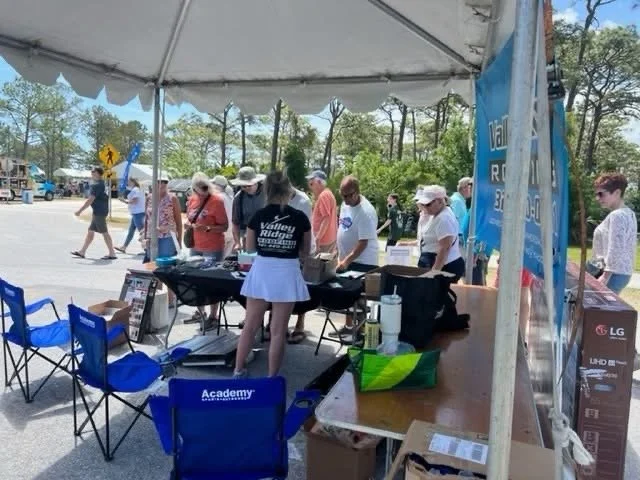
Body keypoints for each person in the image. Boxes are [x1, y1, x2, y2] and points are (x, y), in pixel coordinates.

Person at [233, 171, 311, 378]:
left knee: (249, 326)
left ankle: (238, 370)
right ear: (289, 191)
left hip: (262, 271)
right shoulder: (300, 218)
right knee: (278, 332)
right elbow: (306, 252)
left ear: (266, 190)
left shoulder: (258, 216)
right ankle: (271, 379)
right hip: (287, 272)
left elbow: (249, 249)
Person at [330, 175, 379, 339]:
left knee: (358, 297)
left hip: (363, 261)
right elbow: (342, 229)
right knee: (346, 294)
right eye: (343, 195)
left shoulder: (366, 212)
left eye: (349, 195)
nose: (346, 199)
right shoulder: (345, 204)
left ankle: (360, 332)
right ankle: (348, 326)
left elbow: (363, 243)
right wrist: (339, 255)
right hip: (347, 259)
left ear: (357, 192)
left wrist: (346, 261)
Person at [185, 173, 229, 330]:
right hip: (196, 246)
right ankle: (200, 312)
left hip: (213, 246)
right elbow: (190, 218)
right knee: (196, 281)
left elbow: (224, 226)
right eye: (198, 190)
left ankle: (213, 315)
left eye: (204, 189)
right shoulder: (192, 200)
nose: (201, 192)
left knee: (211, 281)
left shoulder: (216, 201)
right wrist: (188, 225)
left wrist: (208, 228)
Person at [591, 172, 637, 294]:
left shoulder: (617, 216)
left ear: (617, 192)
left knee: (599, 311)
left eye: (601, 194)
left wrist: (605, 277)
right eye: (597, 194)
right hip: (621, 273)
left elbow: (615, 248)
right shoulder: (629, 213)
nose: (598, 198)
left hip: (612, 274)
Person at [143, 176, 182, 307]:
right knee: (153, 266)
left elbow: (178, 221)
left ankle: (171, 298)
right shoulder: (149, 197)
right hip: (152, 236)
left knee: (167, 268)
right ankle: (157, 297)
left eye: (165, 182)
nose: (162, 184)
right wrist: (145, 236)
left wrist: (179, 239)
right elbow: (146, 219)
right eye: (159, 181)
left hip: (167, 237)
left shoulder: (173, 198)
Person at [417, 185, 465, 282]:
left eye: (428, 204)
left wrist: (434, 272)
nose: (425, 207)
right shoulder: (438, 214)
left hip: (446, 265)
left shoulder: (444, 218)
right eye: (423, 204)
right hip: (440, 263)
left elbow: (445, 248)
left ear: (440, 201)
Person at [71, 166, 117, 260]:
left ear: (99, 174)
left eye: (94, 172)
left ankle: (112, 253)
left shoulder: (97, 185)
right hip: (99, 210)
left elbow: (90, 200)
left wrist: (80, 211)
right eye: (91, 172)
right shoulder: (101, 183)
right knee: (90, 231)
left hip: (99, 211)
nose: (92, 173)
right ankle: (82, 251)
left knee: (104, 232)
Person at [287, 184, 313, 344]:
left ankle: (299, 325)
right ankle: (275, 323)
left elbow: (304, 231)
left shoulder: (303, 201)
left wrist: (303, 255)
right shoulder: (275, 199)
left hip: (300, 248)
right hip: (285, 249)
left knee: (300, 289)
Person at [230, 166, 266, 252]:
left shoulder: (269, 194)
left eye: (248, 185)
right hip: (246, 236)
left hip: (266, 235)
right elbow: (235, 222)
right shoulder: (238, 197)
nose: (246, 188)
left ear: (256, 182)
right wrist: (237, 242)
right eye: (243, 186)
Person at [306, 170, 338, 254]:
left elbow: (326, 218)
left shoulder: (324, 196)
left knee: (316, 266)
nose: (310, 187)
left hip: (322, 242)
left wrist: (317, 238)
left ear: (319, 182)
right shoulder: (328, 194)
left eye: (312, 184)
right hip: (328, 239)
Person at [115, 178, 145, 254]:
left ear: (133, 182)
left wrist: (125, 201)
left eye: (128, 181)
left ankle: (147, 249)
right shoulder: (136, 189)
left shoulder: (136, 190)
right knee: (131, 231)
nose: (127, 183)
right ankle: (124, 247)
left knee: (142, 232)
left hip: (138, 213)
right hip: (136, 213)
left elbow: (135, 200)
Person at [212, 175, 234, 259]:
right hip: (231, 233)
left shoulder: (217, 197)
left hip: (221, 233)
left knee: (216, 261)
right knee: (225, 261)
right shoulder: (230, 197)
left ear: (217, 185)